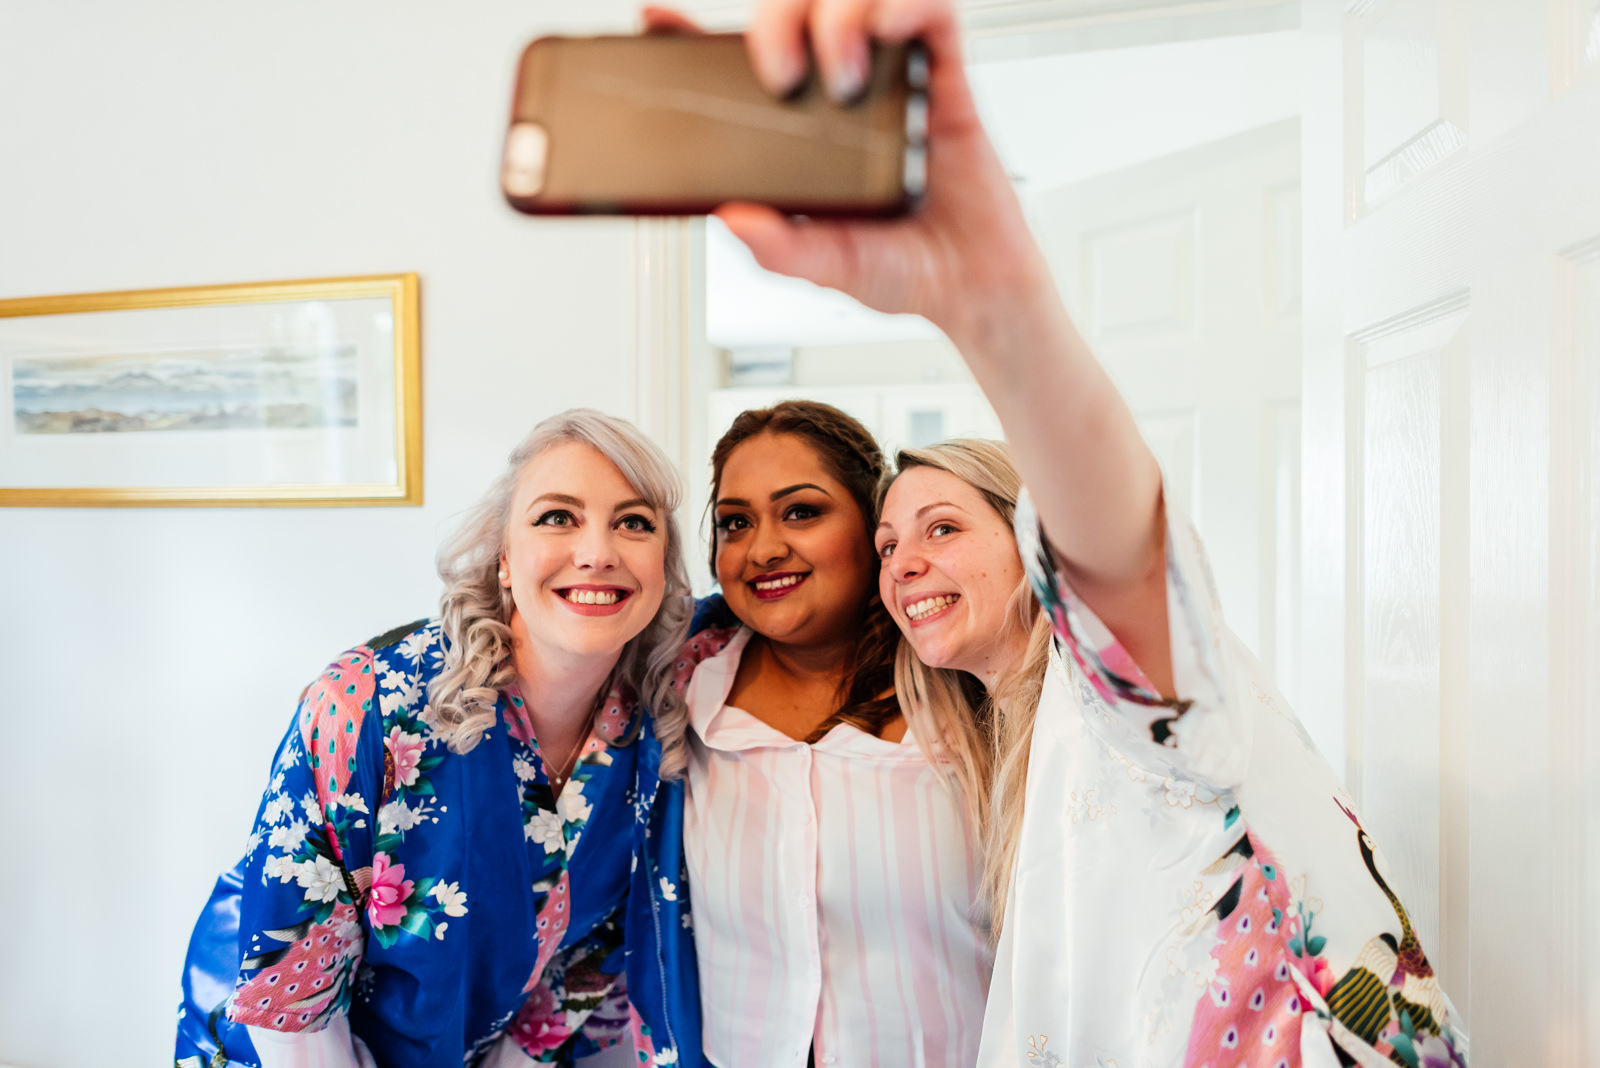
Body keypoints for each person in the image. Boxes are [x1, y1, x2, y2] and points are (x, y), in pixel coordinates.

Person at [722, 0, 1470, 1063]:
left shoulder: (1116, 698)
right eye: (888, 546)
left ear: (1031, 548)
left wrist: (990, 303)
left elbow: (1121, 550)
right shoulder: (1002, 759)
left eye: (940, 526)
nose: (904, 564)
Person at [175, 410, 705, 1068]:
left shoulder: (651, 735)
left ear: (662, 565)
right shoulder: (367, 702)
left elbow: (589, 959)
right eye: (557, 517)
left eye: (634, 522)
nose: (598, 551)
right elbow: (293, 990)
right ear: (504, 559)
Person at [671, 401, 993, 1068]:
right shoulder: (679, 705)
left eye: (801, 511)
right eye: (735, 523)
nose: (762, 549)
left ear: (872, 528)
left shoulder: (971, 697)